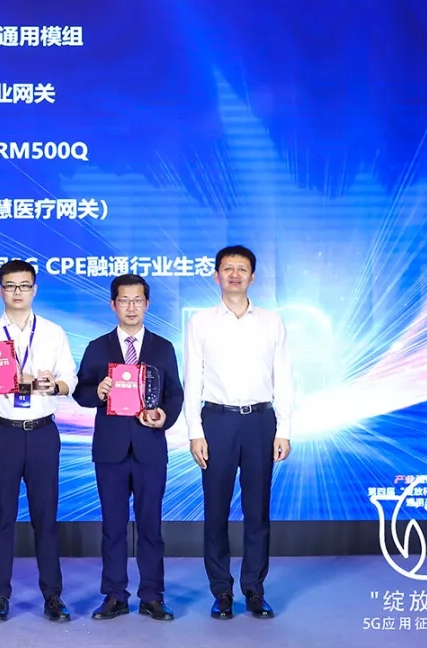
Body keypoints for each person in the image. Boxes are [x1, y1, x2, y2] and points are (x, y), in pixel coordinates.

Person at [184, 245, 294, 620]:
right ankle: (222, 591)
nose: (235, 274)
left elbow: (284, 378)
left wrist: (284, 429)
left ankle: (254, 589)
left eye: (242, 269)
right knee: (215, 510)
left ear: (252, 276)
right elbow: (192, 378)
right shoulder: (201, 322)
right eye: (228, 268)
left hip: (260, 421)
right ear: (216, 275)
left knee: (257, 510)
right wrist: (195, 431)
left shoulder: (271, 322)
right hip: (217, 421)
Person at [74, 274, 183, 621]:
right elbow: (80, 392)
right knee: (113, 526)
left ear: (147, 304)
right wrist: (98, 391)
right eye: (124, 300)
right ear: (113, 304)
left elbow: (175, 393)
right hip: (111, 450)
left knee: (150, 525)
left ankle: (152, 596)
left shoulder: (163, 347)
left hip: (150, 447)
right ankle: (114, 595)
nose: (131, 307)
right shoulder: (97, 347)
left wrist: (164, 416)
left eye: (137, 300)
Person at [0, 260, 76, 622]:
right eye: (10, 286)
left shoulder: (53, 332)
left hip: (43, 432)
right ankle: (0, 596)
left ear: (34, 289)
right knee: (2, 517)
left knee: (46, 518)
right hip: (4, 433)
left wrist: (53, 385)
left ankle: (53, 596)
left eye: (24, 285)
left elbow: (70, 380)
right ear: (0, 290)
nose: (18, 292)